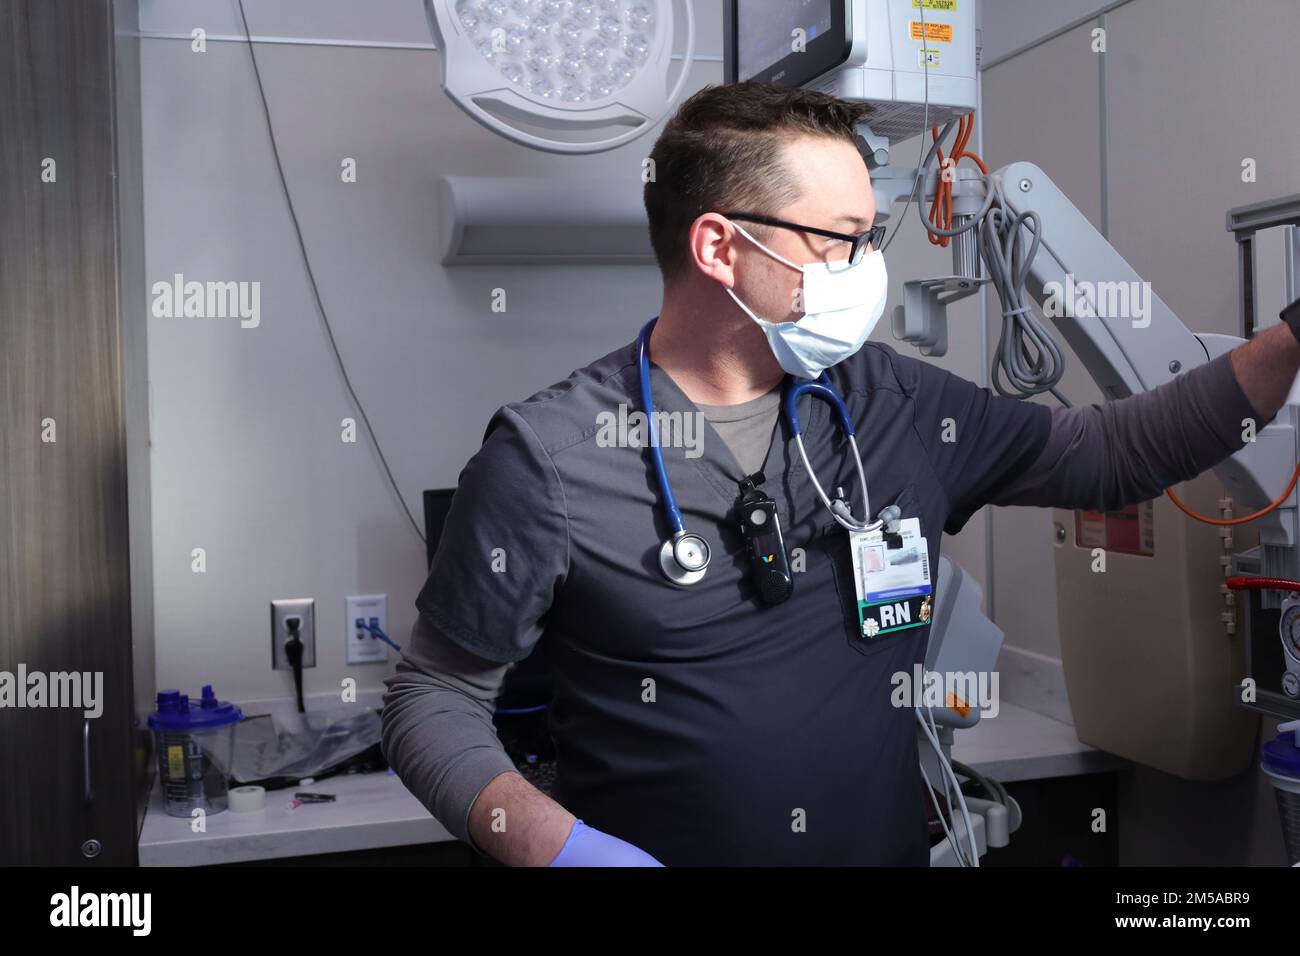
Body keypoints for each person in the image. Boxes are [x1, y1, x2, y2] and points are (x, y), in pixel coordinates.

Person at [381, 82, 1300, 866]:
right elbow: (431, 699)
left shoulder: (894, 403)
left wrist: (1292, 338)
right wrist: (559, 847)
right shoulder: (551, 460)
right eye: (843, 239)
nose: (869, 269)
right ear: (719, 247)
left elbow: (1106, 454)